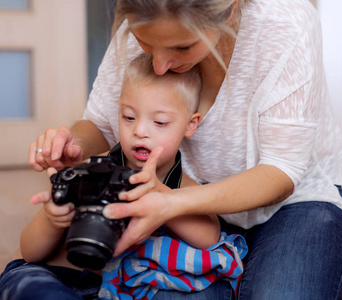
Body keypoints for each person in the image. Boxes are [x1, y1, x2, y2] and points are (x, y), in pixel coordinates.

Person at [28, 0, 342, 299]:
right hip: (186, 210)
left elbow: (281, 169)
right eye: (146, 43)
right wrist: (74, 144)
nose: (159, 64)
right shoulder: (146, 16)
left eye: (181, 46)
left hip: (296, 203)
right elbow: (99, 124)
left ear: (229, 7)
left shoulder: (285, 22)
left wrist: (170, 202)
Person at [1, 53, 246, 300]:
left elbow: (210, 238)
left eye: (160, 122)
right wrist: (52, 218)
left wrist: (161, 195)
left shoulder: (180, 186)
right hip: (61, 277)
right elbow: (30, 253)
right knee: (27, 283)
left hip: (118, 290)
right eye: (128, 117)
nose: (139, 131)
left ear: (190, 125)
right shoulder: (94, 170)